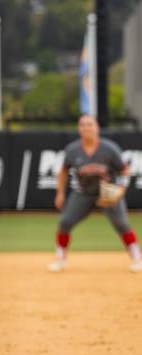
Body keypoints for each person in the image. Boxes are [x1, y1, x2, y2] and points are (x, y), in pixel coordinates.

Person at [50, 114, 142, 273]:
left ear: (97, 128)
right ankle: (60, 258)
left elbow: (125, 170)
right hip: (84, 193)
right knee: (65, 222)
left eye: (90, 124)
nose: (86, 128)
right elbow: (63, 171)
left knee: (122, 224)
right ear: (79, 129)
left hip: (108, 194)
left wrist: (120, 188)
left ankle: (137, 257)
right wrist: (60, 193)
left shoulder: (109, 149)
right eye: (83, 125)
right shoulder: (73, 150)